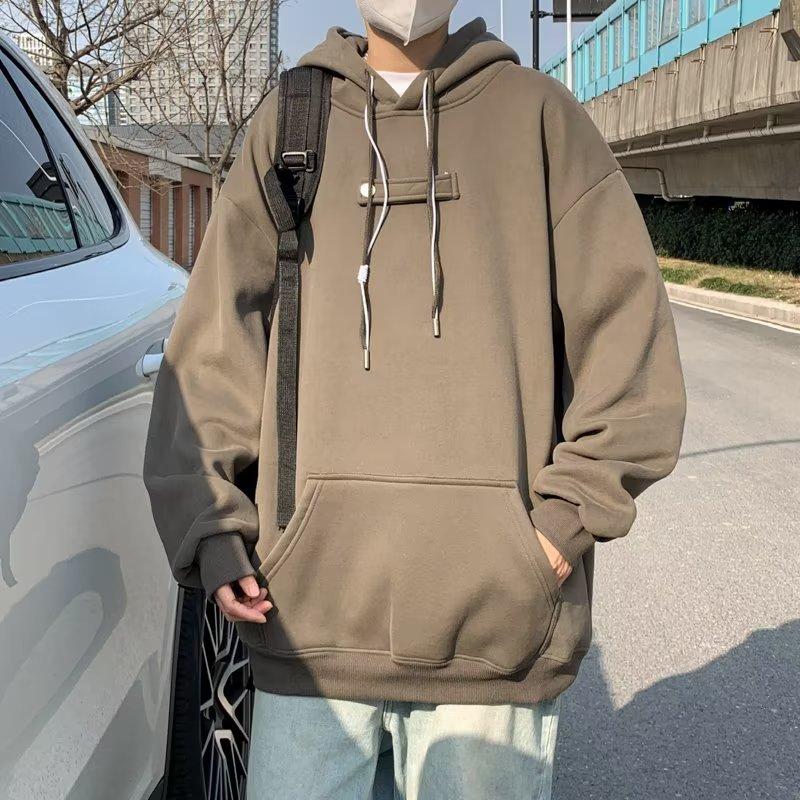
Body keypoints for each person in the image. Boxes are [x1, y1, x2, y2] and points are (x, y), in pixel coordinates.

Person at [144, 1, 686, 797]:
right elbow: (215, 349)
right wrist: (214, 527)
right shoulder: (290, 123)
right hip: (308, 628)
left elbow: (631, 356)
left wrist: (556, 530)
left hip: (496, 636)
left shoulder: (542, 121)